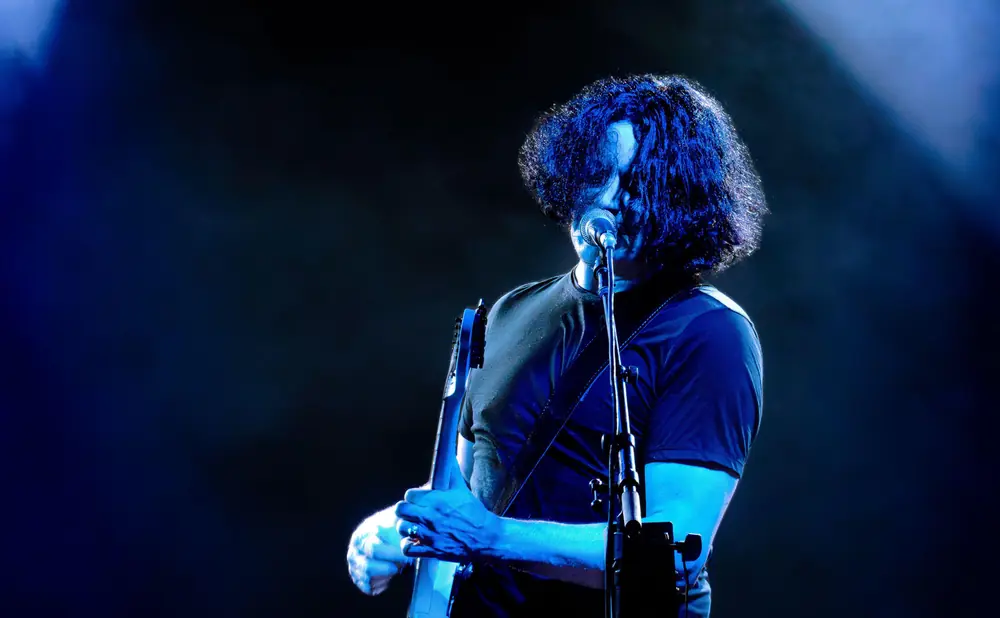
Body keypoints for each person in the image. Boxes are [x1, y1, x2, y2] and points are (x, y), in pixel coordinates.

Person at [346, 74, 768, 617]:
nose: (613, 201)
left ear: (682, 198)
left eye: (641, 183)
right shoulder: (512, 310)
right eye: (598, 174)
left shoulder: (709, 334)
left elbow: (674, 555)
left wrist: (493, 538)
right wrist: (391, 526)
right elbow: (472, 478)